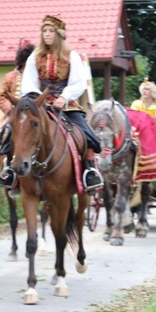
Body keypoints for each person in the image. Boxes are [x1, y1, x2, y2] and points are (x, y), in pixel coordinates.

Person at [19, 14, 103, 194]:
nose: (47, 35)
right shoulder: (35, 56)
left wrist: (64, 97)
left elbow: (79, 82)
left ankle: (90, 172)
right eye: (44, 31)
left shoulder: (71, 56)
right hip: (40, 105)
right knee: (18, 131)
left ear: (58, 34)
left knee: (87, 135)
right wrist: (38, 98)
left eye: (50, 31)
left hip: (67, 105)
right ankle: (11, 171)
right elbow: (28, 82)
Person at [0, 40, 36, 189]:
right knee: (3, 134)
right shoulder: (9, 77)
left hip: (32, 115)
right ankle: (5, 169)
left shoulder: (37, 76)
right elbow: (1, 97)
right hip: (13, 115)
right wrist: (10, 111)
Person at [130, 79, 156, 145]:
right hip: (137, 130)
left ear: (153, 92)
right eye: (143, 89)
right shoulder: (136, 103)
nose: (144, 91)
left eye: (147, 90)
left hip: (153, 130)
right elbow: (132, 116)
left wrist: (153, 119)